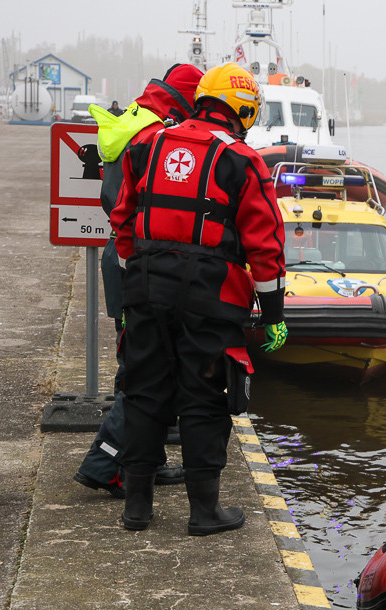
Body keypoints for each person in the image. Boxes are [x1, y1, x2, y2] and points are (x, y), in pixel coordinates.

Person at [110, 62, 288, 535]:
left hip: (146, 288)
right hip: (210, 297)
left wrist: (135, 282)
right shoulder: (243, 161)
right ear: (245, 111)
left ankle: (137, 508)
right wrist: (273, 315)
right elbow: (265, 243)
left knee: (144, 391)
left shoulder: (147, 144)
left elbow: (124, 220)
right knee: (203, 397)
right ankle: (204, 512)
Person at [74, 63, 205, 499]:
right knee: (147, 369)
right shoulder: (159, 133)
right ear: (186, 97)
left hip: (122, 253)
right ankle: (107, 462)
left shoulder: (132, 119)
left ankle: (141, 461)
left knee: (135, 359)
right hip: (142, 260)